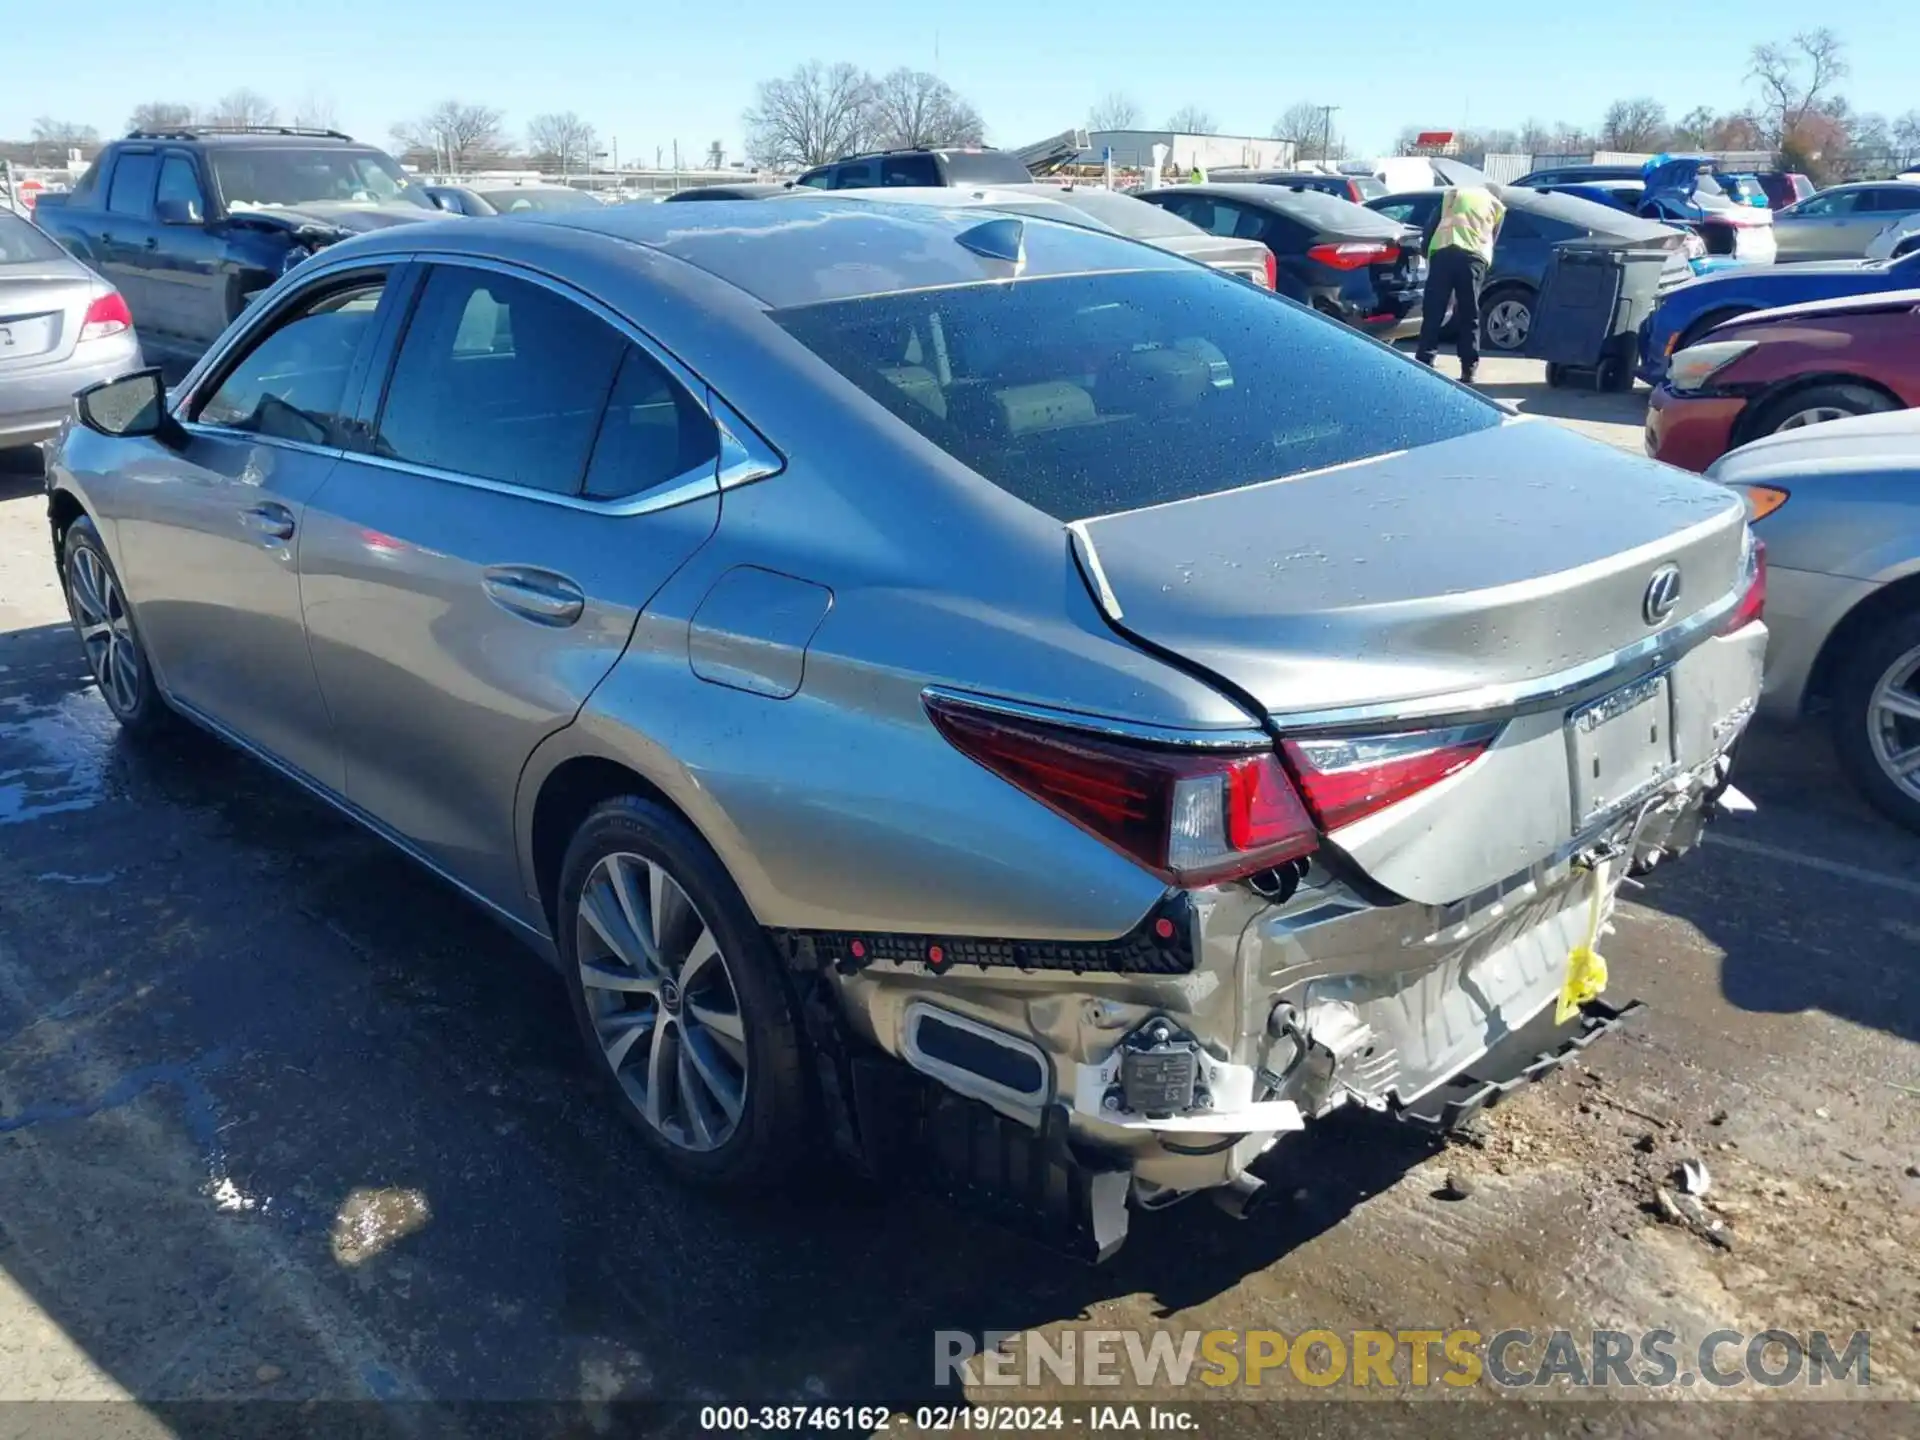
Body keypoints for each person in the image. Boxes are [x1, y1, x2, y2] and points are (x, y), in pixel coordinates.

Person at [1413, 181, 1506, 384]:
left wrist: (1426, 251)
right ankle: (1468, 369)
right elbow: (1492, 238)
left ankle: (1424, 360)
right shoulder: (1496, 206)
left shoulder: (1454, 195)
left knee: (1434, 311)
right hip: (1473, 259)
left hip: (1443, 253)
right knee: (1469, 314)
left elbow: (1431, 226)